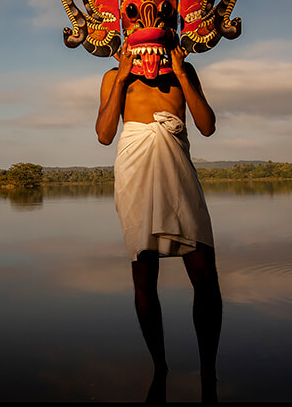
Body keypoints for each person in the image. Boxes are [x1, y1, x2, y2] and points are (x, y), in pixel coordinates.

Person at [95, 41, 222, 403]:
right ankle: (160, 368)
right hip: (134, 168)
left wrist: (181, 73)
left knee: (205, 274)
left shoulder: (184, 70)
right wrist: (120, 79)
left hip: (176, 168)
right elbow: (104, 135)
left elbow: (208, 126)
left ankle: (208, 372)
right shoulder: (112, 76)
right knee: (143, 273)